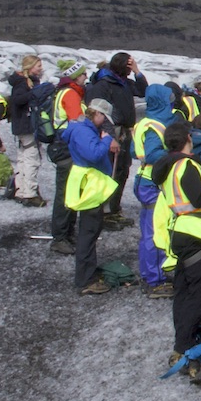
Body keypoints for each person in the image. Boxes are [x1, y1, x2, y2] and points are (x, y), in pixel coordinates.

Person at [152, 121, 201, 376]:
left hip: (179, 229)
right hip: (194, 231)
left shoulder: (167, 165)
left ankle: (183, 337)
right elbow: (198, 198)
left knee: (183, 289)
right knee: (199, 291)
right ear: (189, 138)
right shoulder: (186, 165)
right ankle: (184, 344)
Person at [60, 98, 121, 295]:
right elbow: (94, 154)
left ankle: (87, 274)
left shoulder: (81, 129)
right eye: (103, 116)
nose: (104, 121)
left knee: (90, 230)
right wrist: (105, 140)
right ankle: (85, 279)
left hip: (89, 183)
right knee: (89, 231)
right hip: (90, 186)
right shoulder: (84, 131)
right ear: (96, 113)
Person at [86, 52, 147, 231]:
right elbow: (97, 112)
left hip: (124, 131)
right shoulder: (104, 84)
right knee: (110, 172)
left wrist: (137, 72)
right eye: (129, 67)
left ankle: (114, 209)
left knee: (121, 170)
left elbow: (143, 91)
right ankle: (105, 212)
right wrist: (110, 136)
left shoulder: (123, 82)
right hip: (114, 132)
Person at [132, 84, 175, 298]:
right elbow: (151, 154)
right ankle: (154, 279)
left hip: (145, 181)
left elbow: (134, 150)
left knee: (150, 229)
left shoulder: (144, 122)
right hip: (153, 184)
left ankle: (153, 275)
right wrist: (175, 154)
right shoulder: (155, 126)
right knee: (154, 232)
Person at [48, 61, 89, 256]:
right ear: (75, 76)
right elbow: (77, 123)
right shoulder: (71, 94)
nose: (86, 77)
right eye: (83, 74)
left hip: (63, 146)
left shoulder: (63, 92)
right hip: (68, 148)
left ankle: (66, 234)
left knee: (68, 191)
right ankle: (60, 237)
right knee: (66, 192)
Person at [6, 55, 47, 206]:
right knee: (32, 158)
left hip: (21, 125)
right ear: (30, 67)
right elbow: (18, 100)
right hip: (27, 125)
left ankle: (20, 190)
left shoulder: (22, 81)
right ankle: (30, 193)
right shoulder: (23, 83)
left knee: (23, 158)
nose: (40, 68)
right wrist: (36, 93)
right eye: (38, 66)